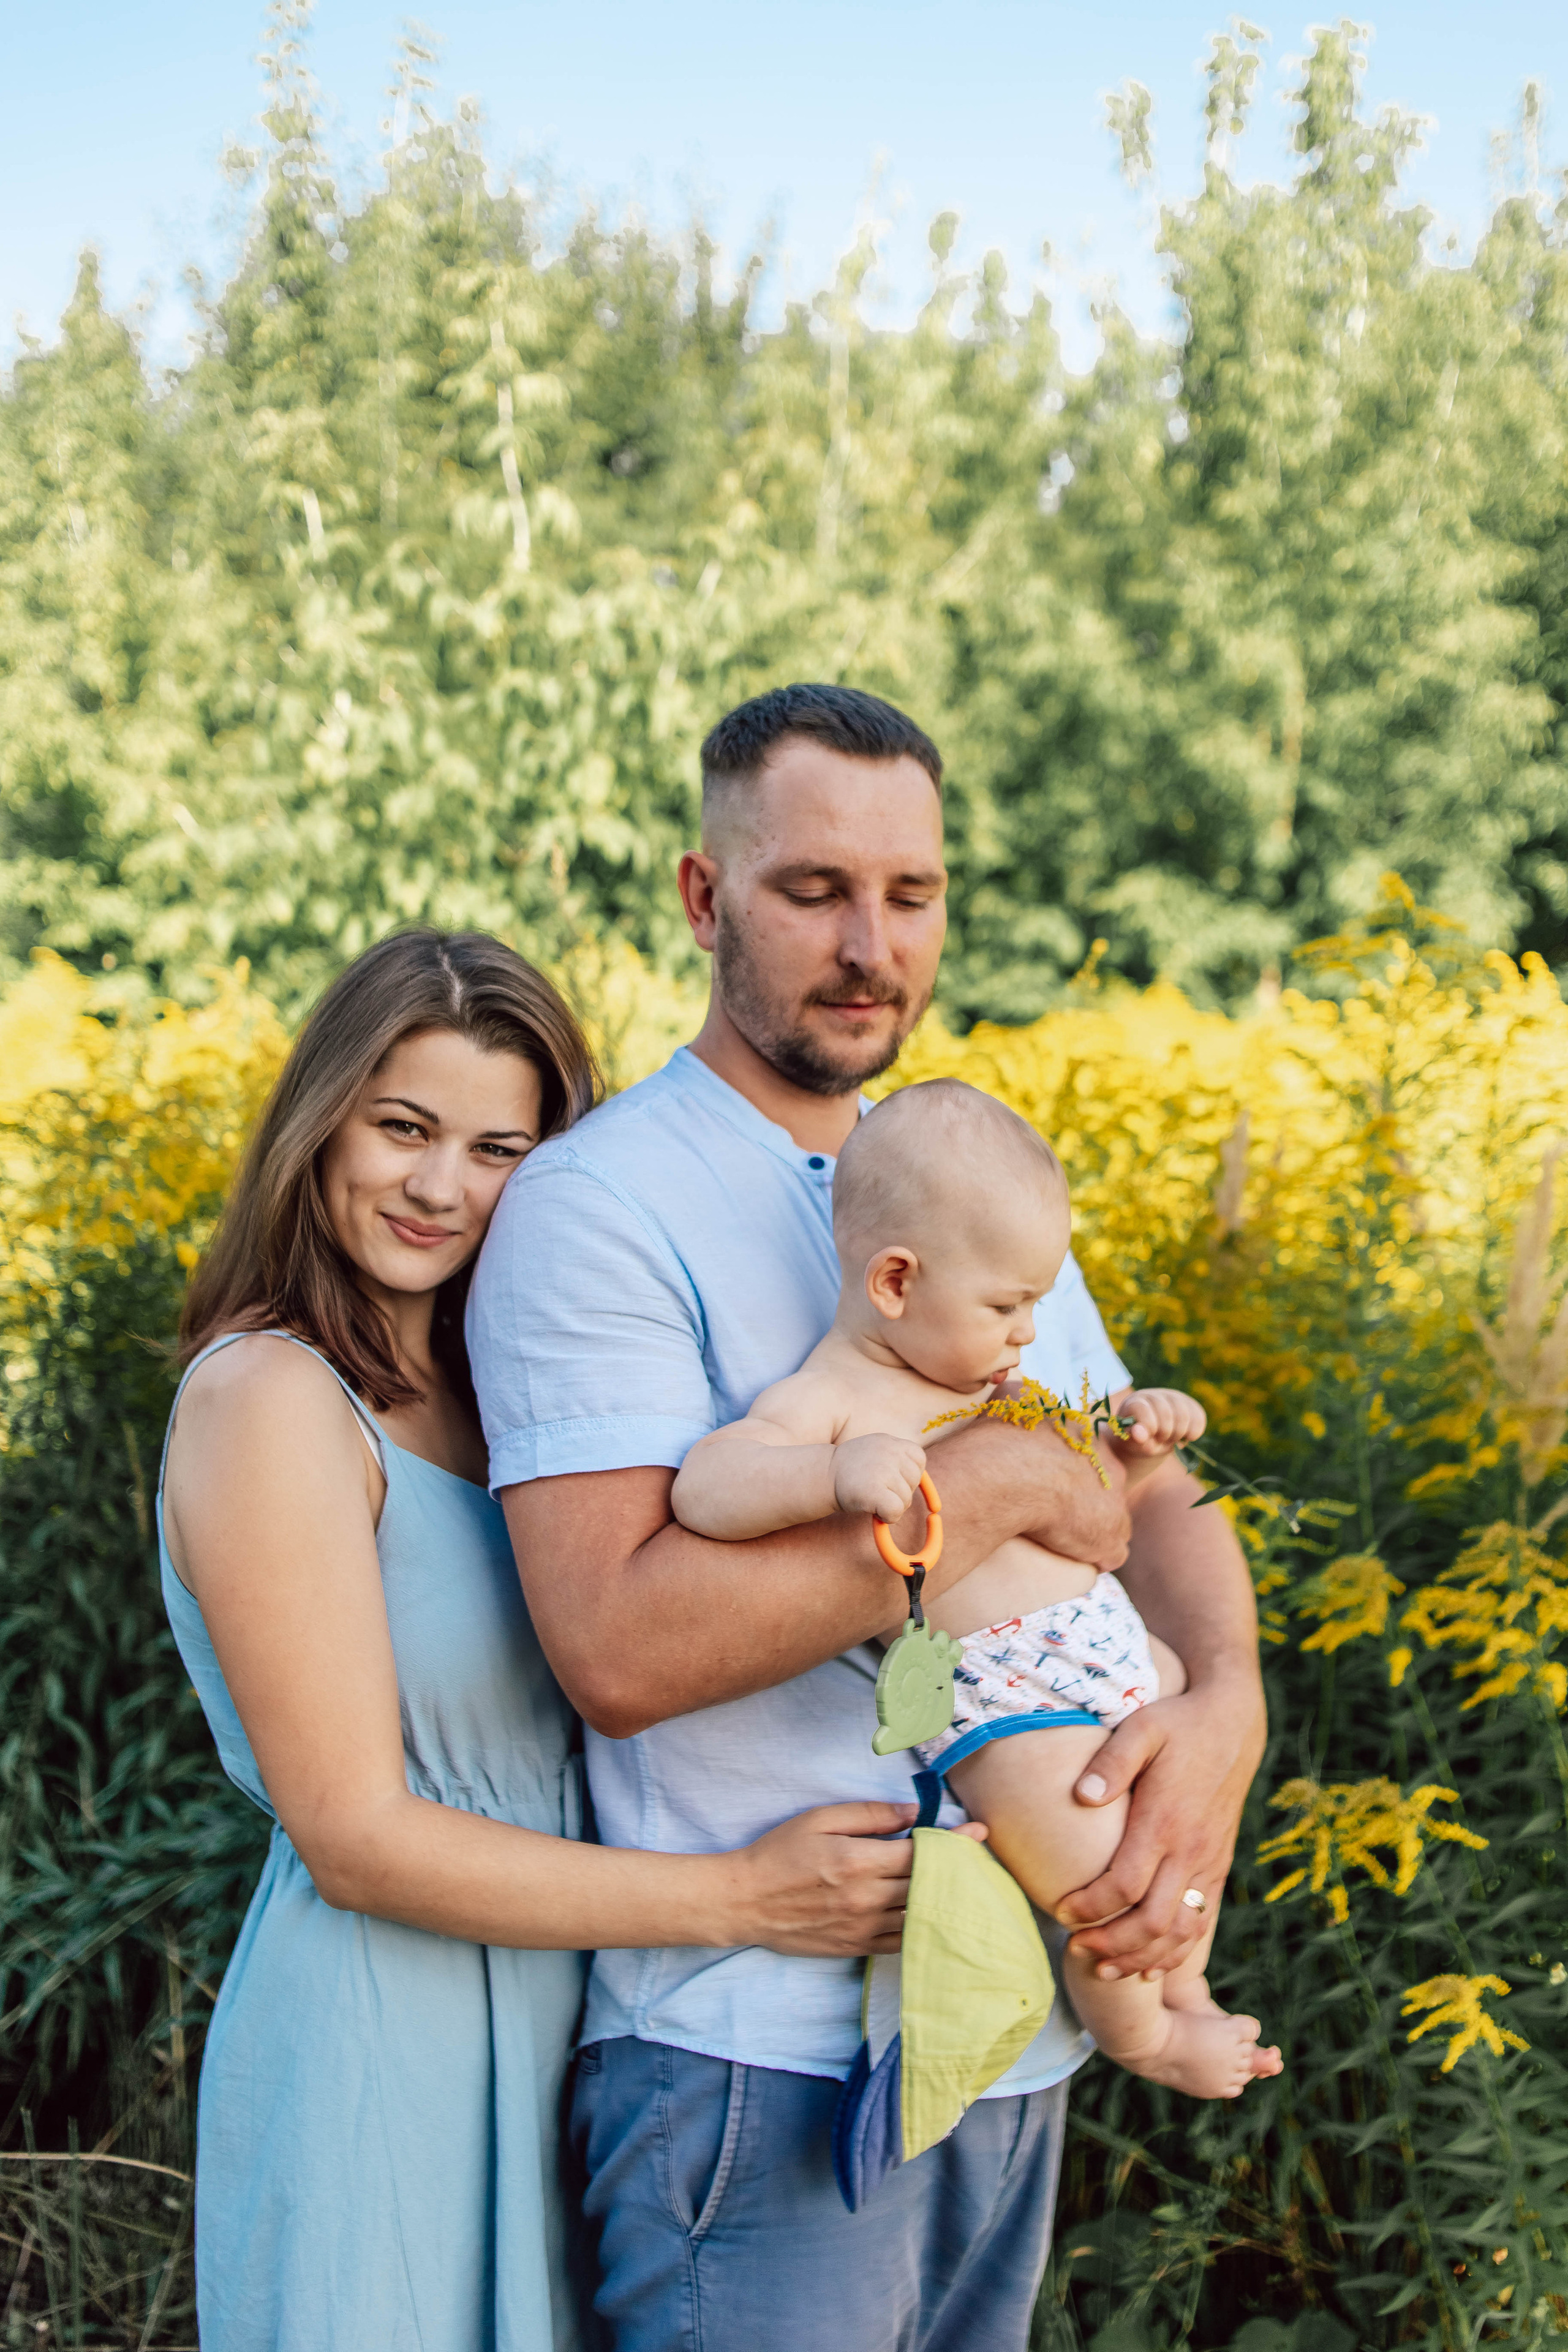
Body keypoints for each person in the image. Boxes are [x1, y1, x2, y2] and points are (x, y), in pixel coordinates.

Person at [470, 684, 1267, 2352]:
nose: (869, 945)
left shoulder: (960, 1178)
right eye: (813, 890)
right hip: (758, 2062)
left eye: (910, 896)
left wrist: (1226, 1702)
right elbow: (613, 1643)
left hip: (1003, 2025)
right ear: (705, 898)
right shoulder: (600, 1210)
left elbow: (1154, 1495)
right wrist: (976, 1491)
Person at [160, 927, 924, 2352]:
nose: (441, 1188)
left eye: (501, 1148)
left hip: (569, 2010)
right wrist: (739, 1900)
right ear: (319, 1122)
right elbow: (357, 1838)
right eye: (403, 1128)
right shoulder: (267, 1399)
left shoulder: (506, 1395)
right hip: (381, 2035)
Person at [673, 1076, 1284, 2101]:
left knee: (1173, 1814)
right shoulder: (834, 1397)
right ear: (897, 1284)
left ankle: (1193, 1980)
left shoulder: (1000, 1389)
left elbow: (1092, 1519)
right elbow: (708, 1486)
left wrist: (1131, 1445)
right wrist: (829, 1474)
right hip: (1010, 1696)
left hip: (1109, 1643)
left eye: (1036, 1304)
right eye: (1007, 1306)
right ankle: (1148, 2031)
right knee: (1098, 1879)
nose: (1029, 1334)